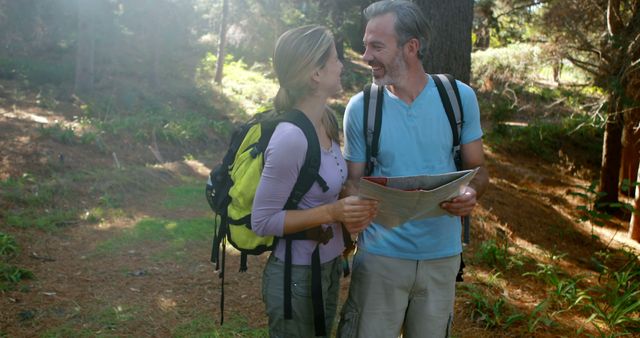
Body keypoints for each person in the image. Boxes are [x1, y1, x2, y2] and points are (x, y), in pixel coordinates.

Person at [337, 1, 489, 337]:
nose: (365, 56)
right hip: (380, 259)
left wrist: (470, 192)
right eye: (365, 45)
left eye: (377, 46)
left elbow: (478, 169)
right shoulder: (361, 107)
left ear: (411, 47)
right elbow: (352, 181)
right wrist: (353, 204)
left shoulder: (459, 98)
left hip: (442, 258)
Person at [251, 25, 378, 338]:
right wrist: (333, 213)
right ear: (315, 74)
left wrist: (349, 199)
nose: (341, 65)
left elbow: (325, 187)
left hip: (329, 266)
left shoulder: (326, 121)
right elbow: (262, 220)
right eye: (335, 59)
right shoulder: (290, 138)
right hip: (296, 276)